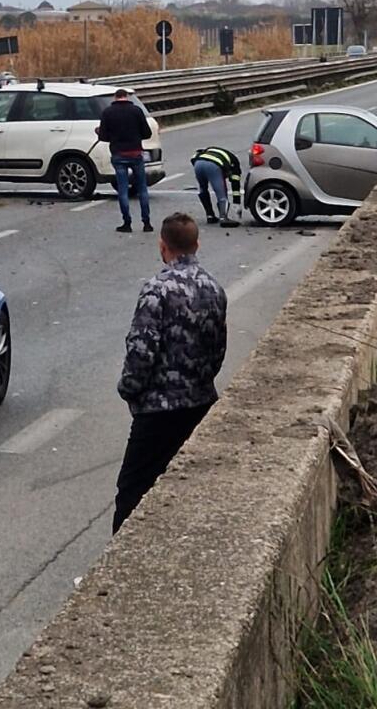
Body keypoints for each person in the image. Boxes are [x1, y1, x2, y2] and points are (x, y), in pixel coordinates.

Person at [112, 213, 227, 533]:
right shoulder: (214, 288)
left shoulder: (156, 290)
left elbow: (141, 350)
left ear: (163, 247)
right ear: (197, 245)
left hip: (158, 411)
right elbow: (219, 347)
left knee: (132, 490)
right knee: (191, 485)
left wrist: (129, 389)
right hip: (200, 403)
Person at [96, 88, 153, 233]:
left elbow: (103, 137)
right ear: (126, 97)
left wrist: (100, 132)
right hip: (135, 153)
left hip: (119, 154)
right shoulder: (136, 111)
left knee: (122, 189)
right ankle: (146, 223)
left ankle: (127, 223)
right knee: (142, 188)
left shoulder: (107, 112)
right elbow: (147, 133)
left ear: (115, 98)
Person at [190, 144, 242, 224]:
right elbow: (235, 185)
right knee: (221, 194)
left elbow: (194, 156)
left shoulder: (212, 150)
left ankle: (210, 215)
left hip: (198, 163)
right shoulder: (235, 164)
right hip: (213, 165)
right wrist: (237, 203)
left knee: (203, 189)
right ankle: (223, 217)